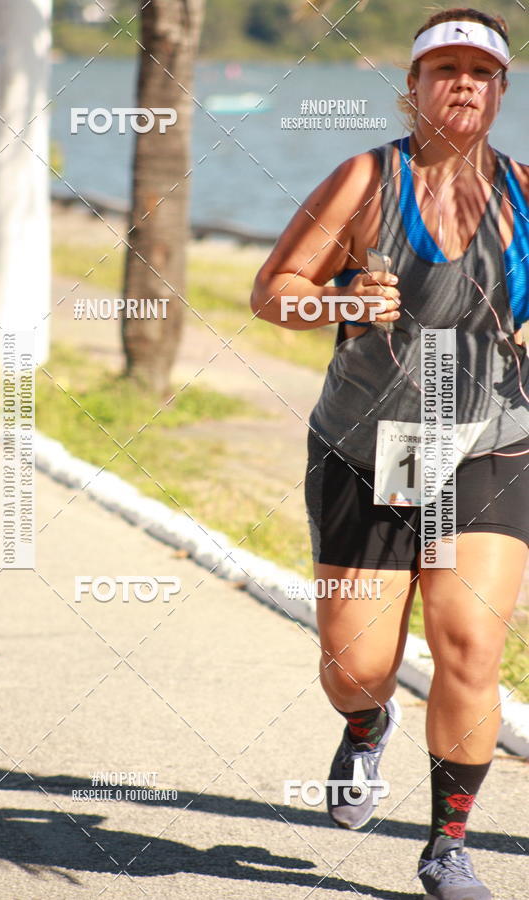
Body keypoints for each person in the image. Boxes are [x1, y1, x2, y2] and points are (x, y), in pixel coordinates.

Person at [250, 7, 529, 899]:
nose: (461, 85)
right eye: (443, 69)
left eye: (479, 72)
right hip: (371, 447)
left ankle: (447, 844)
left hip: (486, 443)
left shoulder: (526, 190)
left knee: (469, 645)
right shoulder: (367, 179)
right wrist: (337, 305)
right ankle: (366, 729)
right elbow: (272, 293)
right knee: (358, 665)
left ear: (501, 91)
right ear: (410, 89)